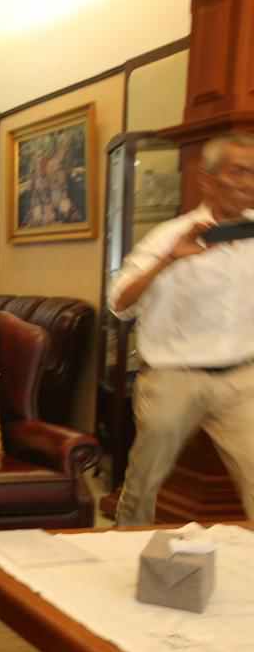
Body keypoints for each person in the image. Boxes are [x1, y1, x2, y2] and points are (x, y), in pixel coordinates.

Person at [110, 132, 254, 526]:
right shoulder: (168, 236)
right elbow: (120, 304)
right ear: (208, 179)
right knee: (144, 482)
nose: (248, 182)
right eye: (238, 171)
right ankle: (125, 544)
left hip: (242, 379)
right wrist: (169, 261)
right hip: (174, 375)